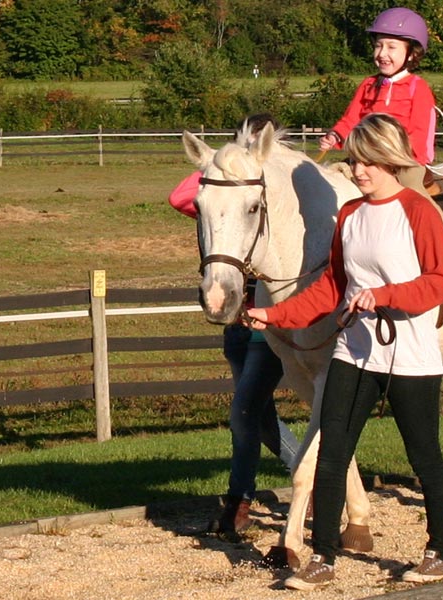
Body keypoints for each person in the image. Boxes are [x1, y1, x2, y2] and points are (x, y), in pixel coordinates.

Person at [247, 113, 443, 589]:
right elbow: (334, 286)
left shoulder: (418, 212)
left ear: (390, 160)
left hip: (409, 354)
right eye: (353, 160)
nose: (358, 170)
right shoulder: (350, 215)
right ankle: (322, 557)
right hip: (355, 351)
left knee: (424, 456)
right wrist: (274, 316)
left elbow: (441, 281)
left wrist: (384, 296)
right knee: (332, 453)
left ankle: (440, 551)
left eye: (367, 162)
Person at [168, 114, 300, 536]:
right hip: (238, 314)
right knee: (255, 415)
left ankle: (244, 499)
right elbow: (181, 197)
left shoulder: (278, 194)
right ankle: (304, 477)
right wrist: (218, 164)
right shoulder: (226, 187)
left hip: (268, 311)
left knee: (245, 413)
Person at [318, 7, 443, 261]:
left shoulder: (417, 89)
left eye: (391, 47)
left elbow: (420, 132)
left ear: (411, 53)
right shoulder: (367, 85)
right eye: (378, 46)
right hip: (365, 158)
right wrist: (335, 136)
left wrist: (397, 158)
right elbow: (351, 118)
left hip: (403, 162)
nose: (382, 54)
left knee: (412, 186)